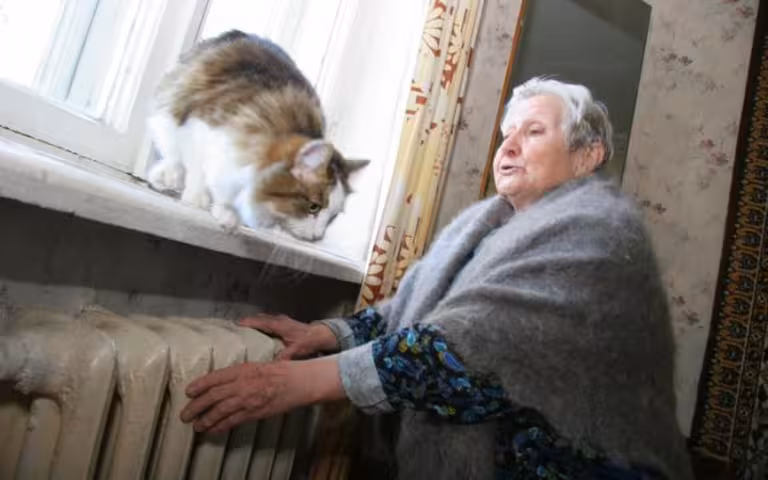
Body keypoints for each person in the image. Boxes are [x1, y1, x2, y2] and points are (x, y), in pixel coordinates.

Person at [180, 78, 693, 479]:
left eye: (533, 132)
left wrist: (298, 382)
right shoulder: (489, 227)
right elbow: (418, 307)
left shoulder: (601, 238)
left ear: (587, 157)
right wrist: (327, 334)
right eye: (506, 134)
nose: (509, 146)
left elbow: (474, 349)